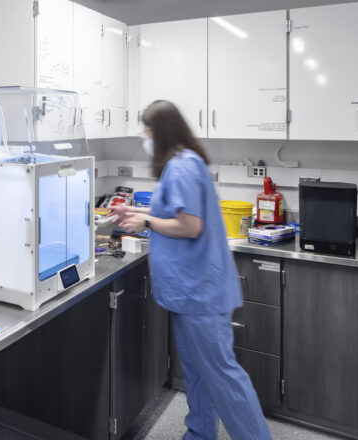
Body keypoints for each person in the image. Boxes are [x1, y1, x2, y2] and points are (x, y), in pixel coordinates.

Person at [111, 100, 272, 440]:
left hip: (200, 293)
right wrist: (141, 216)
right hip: (190, 293)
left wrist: (147, 220)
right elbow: (172, 216)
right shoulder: (180, 164)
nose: (144, 137)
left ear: (163, 132)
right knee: (198, 373)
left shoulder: (183, 166)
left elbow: (190, 225)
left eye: (148, 130)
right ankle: (199, 434)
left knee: (223, 377)